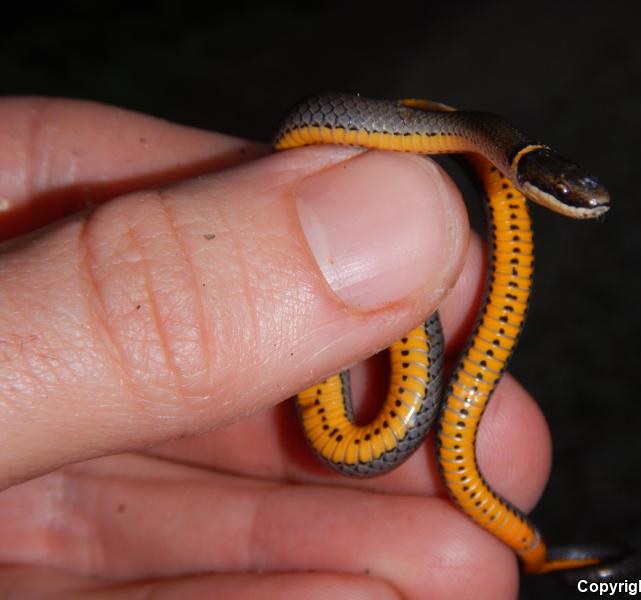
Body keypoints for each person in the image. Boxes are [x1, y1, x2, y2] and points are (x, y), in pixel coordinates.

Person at [0, 97, 551, 599]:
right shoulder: (469, 134)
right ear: (532, 174)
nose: (585, 207)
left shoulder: (488, 145)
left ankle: (552, 562)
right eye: (571, 198)